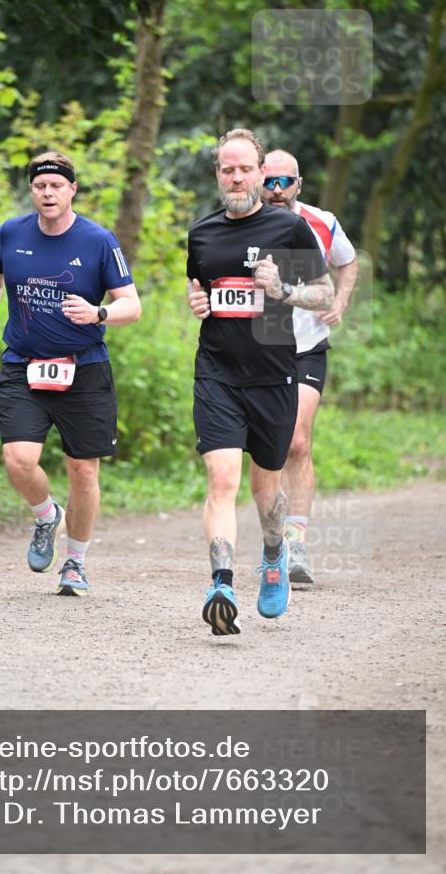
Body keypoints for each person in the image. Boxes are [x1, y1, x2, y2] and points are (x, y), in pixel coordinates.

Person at [0, 151, 141, 596]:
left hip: (83, 370)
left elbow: (131, 305)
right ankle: (47, 515)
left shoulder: (98, 241)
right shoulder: (11, 233)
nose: (48, 193)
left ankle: (76, 564)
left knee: (83, 470)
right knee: (18, 459)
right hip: (23, 364)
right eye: (40, 186)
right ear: (32, 190)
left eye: (57, 186)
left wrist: (98, 312)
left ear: (72, 190)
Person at [187, 128, 334, 636]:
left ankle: (274, 555)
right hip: (217, 371)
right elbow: (199, 287)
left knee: (265, 485)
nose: (236, 177)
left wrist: (283, 289)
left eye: (245, 168)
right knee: (223, 477)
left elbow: (325, 295)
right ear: (218, 174)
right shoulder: (202, 233)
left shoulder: (286, 228)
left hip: (273, 373)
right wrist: (198, 303)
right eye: (227, 169)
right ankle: (222, 583)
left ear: (259, 171)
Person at [262, 150, 358, 584]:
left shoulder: (322, 221)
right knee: (269, 448)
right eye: (270, 182)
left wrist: (339, 302)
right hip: (259, 349)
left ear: (299, 184)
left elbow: (348, 260)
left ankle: (295, 540)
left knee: (297, 441)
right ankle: (273, 542)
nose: (277, 190)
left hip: (307, 347)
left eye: (286, 182)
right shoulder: (241, 225)